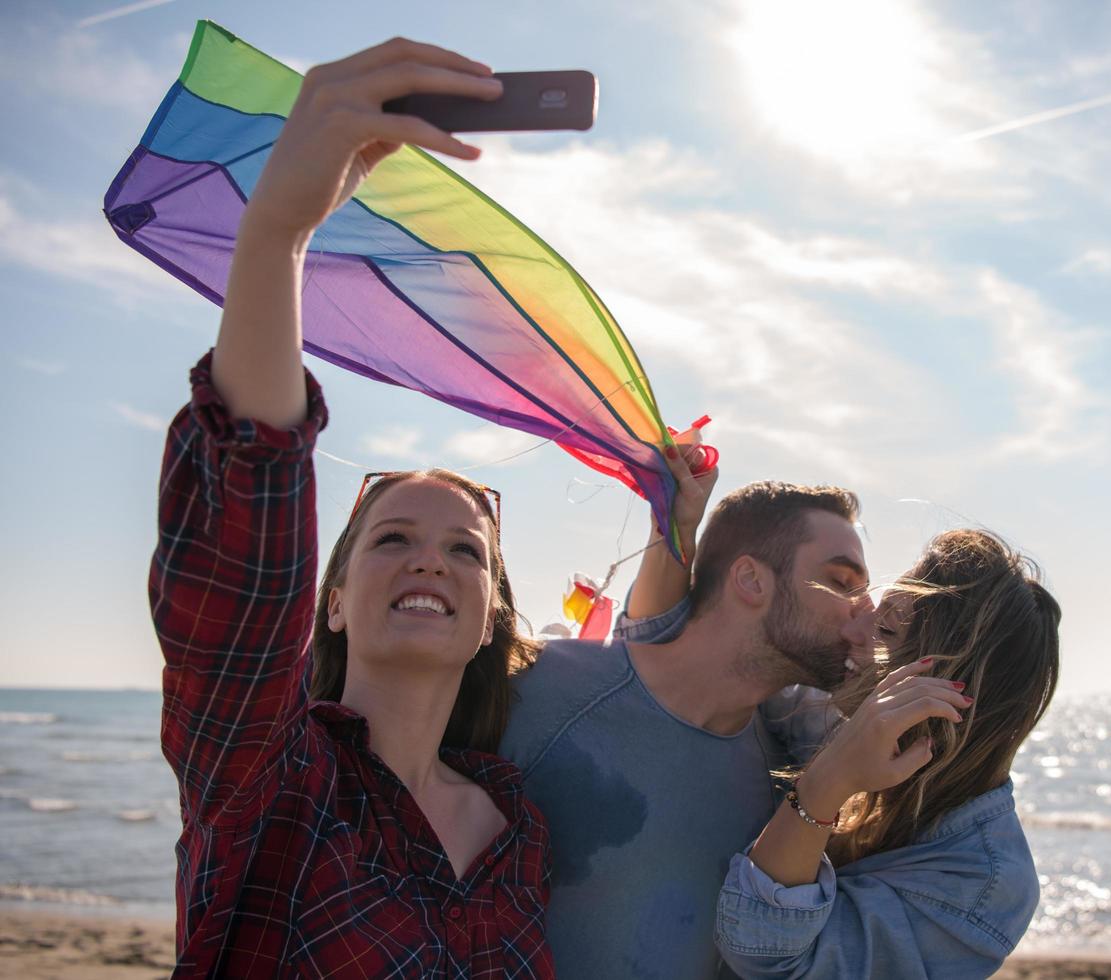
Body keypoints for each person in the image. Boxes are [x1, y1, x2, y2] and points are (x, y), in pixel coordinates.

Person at [150, 38, 554, 977]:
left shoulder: (521, 825)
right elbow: (239, 587)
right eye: (394, 538)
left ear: (491, 608)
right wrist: (278, 233)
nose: (430, 561)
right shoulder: (270, 775)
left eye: (466, 553)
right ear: (332, 599)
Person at [497, 479, 879, 980]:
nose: (865, 609)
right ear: (751, 579)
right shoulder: (537, 688)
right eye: (841, 582)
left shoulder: (784, 780)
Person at [714, 528, 1061, 979]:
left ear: (948, 684)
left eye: (885, 628)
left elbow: (767, 958)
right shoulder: (839, 715)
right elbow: (742, 681)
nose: (850, 629)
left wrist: (828, 781)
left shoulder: (984, 883)